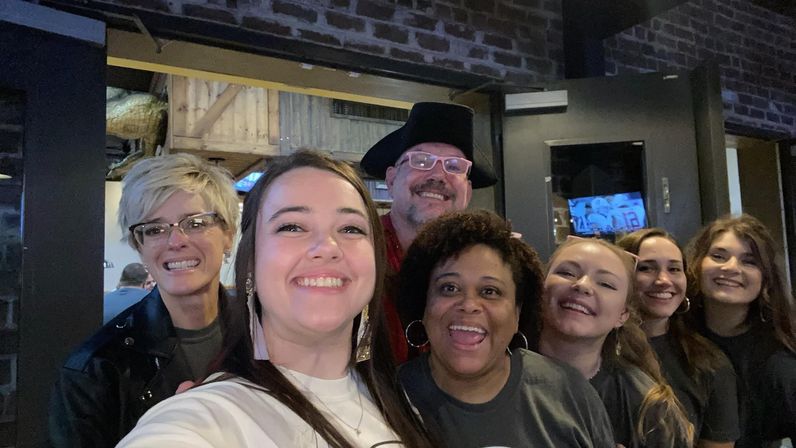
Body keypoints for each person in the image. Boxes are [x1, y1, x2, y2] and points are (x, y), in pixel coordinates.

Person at [117, 151, 437, 447]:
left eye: (351, 228)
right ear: (251, 259)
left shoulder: (399, 401)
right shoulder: (202, 422)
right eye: (292, 226)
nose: (326, 246)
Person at [49, 153, 240, 447]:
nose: (176, 241)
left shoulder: (268, 334)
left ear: (228, 234)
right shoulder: (95, 371)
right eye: (154, 229)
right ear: (139, 246)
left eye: (196, 223)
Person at [396, 210, 615, 447]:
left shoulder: (569, 394)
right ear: (424, 304)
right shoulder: (385, 397)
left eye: (490, 291)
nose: (469, 305)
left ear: (517, 313)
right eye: (449, 288)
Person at [360, 101, 497, 362]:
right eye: (421, 161)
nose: (437, 175)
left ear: (467, 192)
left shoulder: (485, 267)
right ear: (391, 180)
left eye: (454, 166)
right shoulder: (355, 252)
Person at [537, 236, 694, 448]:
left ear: (623, 314)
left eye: (605, 283)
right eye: (567, 273)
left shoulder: (649, 409)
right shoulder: (492, 373)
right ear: (541, 287)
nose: (582, 285)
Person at [618, 229, 739, 447]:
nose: (663, 280)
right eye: (646, 268)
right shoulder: (593, 351)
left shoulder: (710, 364)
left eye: (674, 269)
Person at [685, 214, 796, 447]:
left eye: (749, 261)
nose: (730, 267)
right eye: (718, 256)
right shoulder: (672, 334)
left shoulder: (781, 362)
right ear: (696, 264)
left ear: (765, 279)